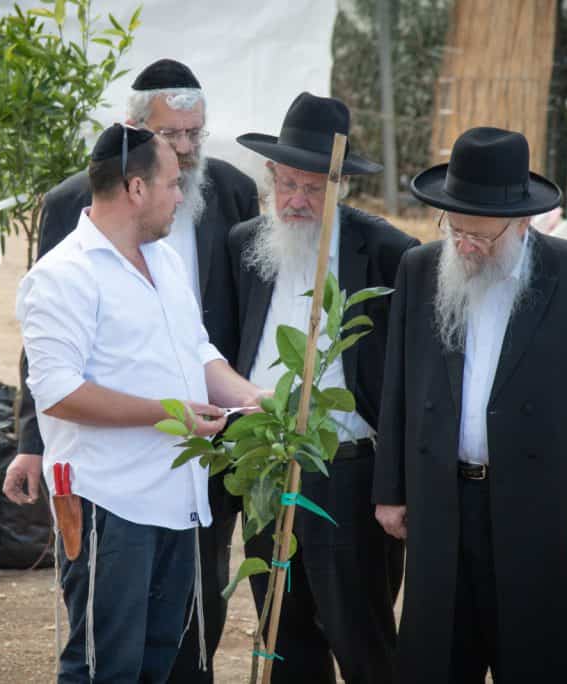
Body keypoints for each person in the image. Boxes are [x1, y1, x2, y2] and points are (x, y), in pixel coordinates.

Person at [9, 58, 259, 683]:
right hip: (107, 502)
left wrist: (257, 397)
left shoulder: (165, 262)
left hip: (180, 497)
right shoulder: (61, 277)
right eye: (173, 181)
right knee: (104, 664)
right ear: (137, 188)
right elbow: (59, 392)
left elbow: (199, 353)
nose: (184, 191)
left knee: (164, 660)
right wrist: (168, 415)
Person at [373, 127, 567, 683]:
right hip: (442, 501)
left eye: (482, 237)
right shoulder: (421, 270)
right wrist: (390, 490)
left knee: (542, 654)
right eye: (457, 229)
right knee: (439, 656)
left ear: (522, 223)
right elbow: (399, 387)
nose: (466, 246)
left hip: (544, 506)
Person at [230, 92, 418, 684]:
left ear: (341, 187)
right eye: (286, 184)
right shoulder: (244, 245)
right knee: (281, 631)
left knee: (359, 632)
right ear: (271, 178)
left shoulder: (389, 252)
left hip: (349, 471)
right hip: (264, 460)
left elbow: (409, 379)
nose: (296, 201)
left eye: (313, 187)